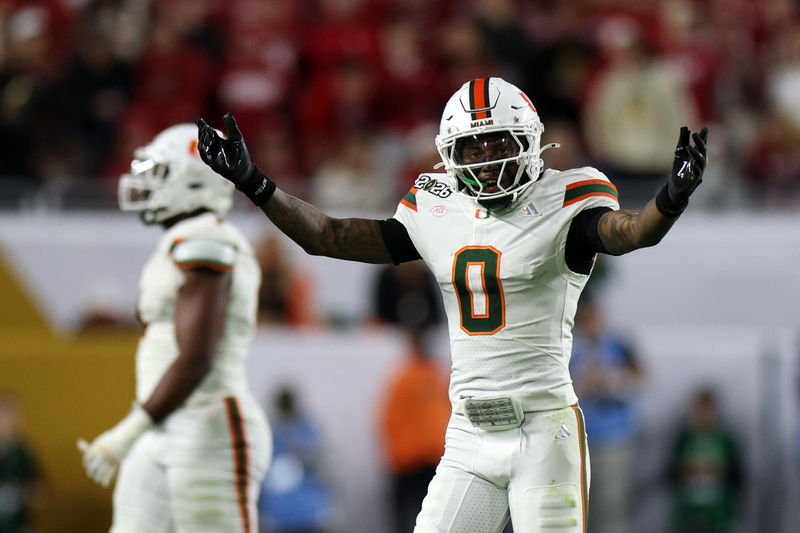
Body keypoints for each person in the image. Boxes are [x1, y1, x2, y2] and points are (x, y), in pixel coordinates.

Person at [197, 76, 708, 532]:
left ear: (528, 141)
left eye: (496, 143)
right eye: (471, 147)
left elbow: (631, 232)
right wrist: (254, 183)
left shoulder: (566, 199)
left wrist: (671, 199)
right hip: (468, 431)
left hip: (544, 428)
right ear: (449, 153)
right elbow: (328, 236)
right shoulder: (436, 207)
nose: (485, 160)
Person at [77, 124, 271, 532]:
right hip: (161, 425)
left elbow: (196, 358)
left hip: (208, 430)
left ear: (197, 180)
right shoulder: (181, 240)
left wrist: (128, 431)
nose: (145, 182)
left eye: (160, 172)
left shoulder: (208, 239)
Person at [569, 299, 643, 533]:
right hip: (578, 438)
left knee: (612, 504)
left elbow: (640, 379)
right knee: (578, 505)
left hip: (613, 436)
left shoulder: (619, 344)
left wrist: (610, 380)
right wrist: (583, 383)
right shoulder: (570, 347)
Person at [379, 330, 451, 533]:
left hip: (413, 459)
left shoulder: (404, 377)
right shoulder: (434, 376)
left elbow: (387, 420)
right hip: (427, 458)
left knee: (409, 517)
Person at [667, 387, 744, 533]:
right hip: (687, 510)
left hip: (718, 510)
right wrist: (689, 471)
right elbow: (671, 474)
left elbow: (738, 476)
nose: (703, 415)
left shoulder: (725, 439)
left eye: (707, 410)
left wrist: (716, 471)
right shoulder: (684, 438)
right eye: (699, 410)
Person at [258, 386, 334, 533]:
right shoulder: (270, 435)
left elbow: (325, 472)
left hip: (309, 514)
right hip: (283, 517)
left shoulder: (308, 432)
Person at [0, 393, 44, 533]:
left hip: (17, 525)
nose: (8, 421)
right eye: (4, 415)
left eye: (13, 416)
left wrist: (25, 493)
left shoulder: (23, 454)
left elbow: (40, 495)